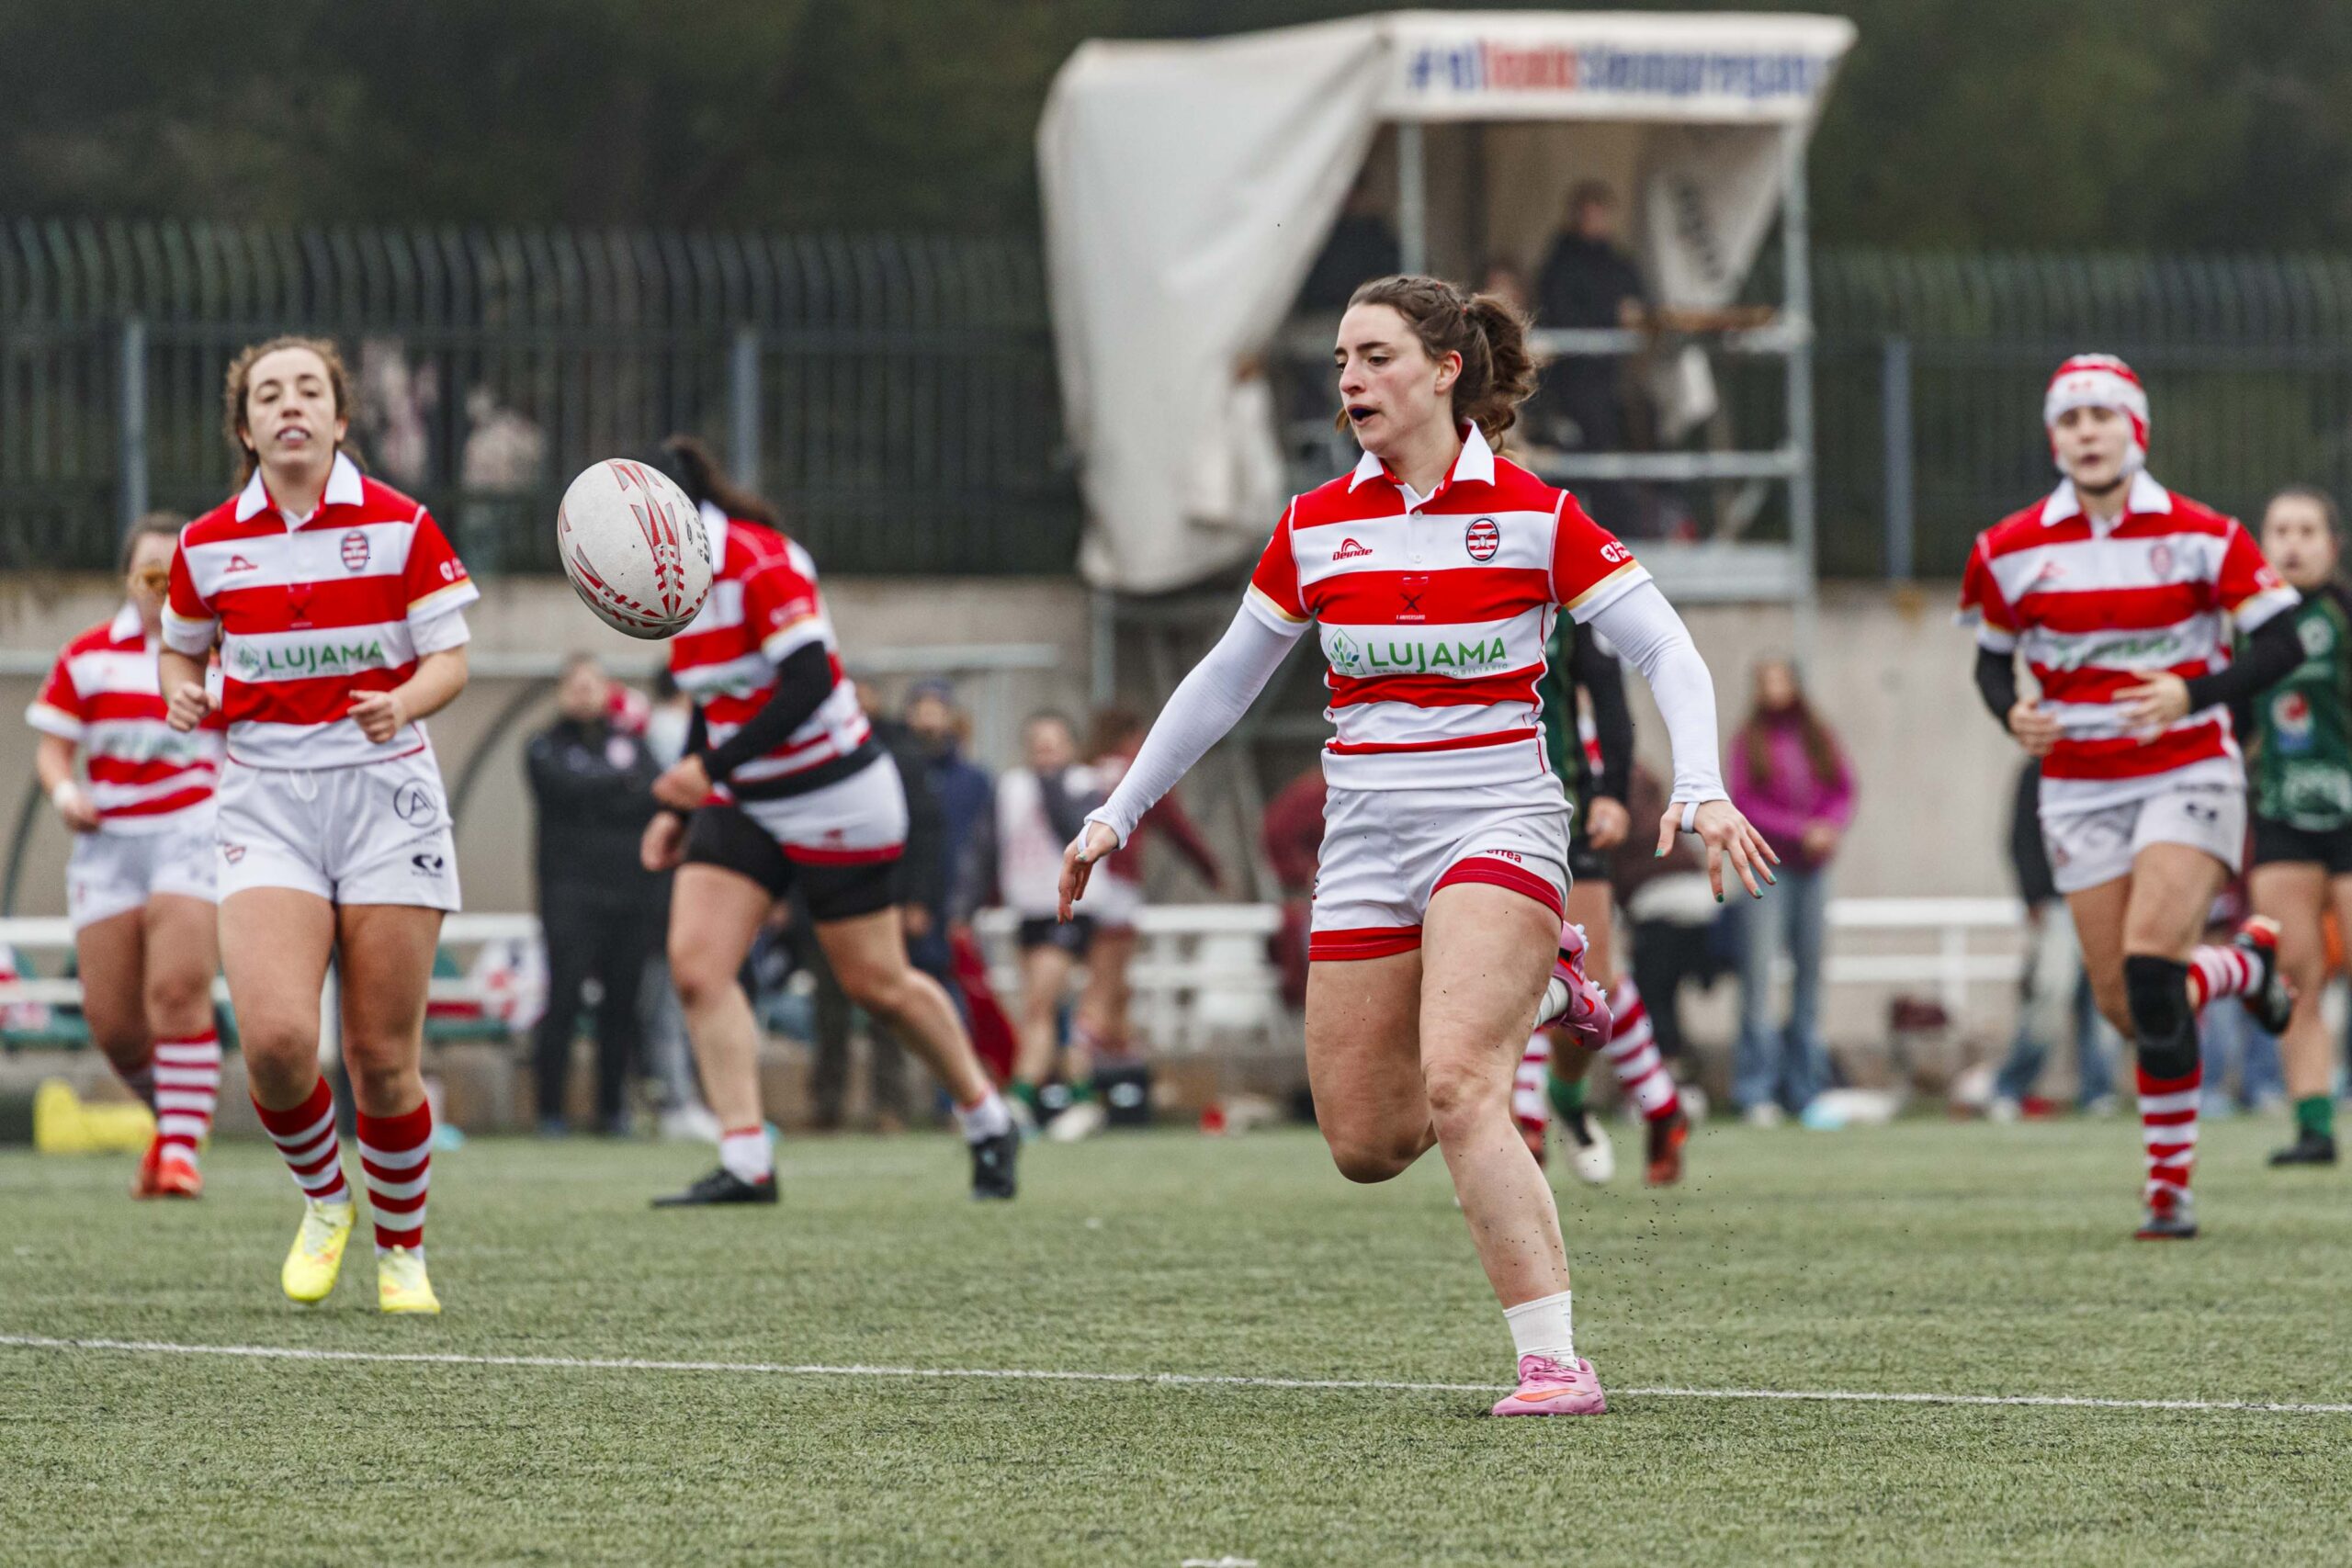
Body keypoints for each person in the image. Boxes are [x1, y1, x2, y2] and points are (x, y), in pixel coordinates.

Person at [1063, 274, 1772, 1417]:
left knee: (1457, 1085)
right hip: (1367, 843)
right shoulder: (1312, 525)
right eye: (1342, 359)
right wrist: (1116, 813)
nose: (1350, 379)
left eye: (1376, 356)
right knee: (1364, 1140)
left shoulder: (1539, 515)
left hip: (1499, 824)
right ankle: (1545, 995)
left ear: (1446, 372)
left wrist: (1699, 785)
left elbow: (1667, 652)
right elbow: (1220, 685)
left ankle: (1554, 1362)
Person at [162, 334, 476, 1314]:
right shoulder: (205, 545)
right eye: (268, 394)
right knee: (279, 1043)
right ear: (246, 429)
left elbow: (450, 659)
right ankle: (325, 1201)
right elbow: (181, 655)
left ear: (342, 420)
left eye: (310, 391)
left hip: (386, 797)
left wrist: (406, 703)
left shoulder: (402, 525)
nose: (289, 405)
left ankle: (403, 1253)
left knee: (382, 1058)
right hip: (267, 803)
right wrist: (181, 694)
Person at [1960, 354, 2301, 1239]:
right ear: (2054, 439)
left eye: (2103, 416)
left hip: (2189, 767)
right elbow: (1992, 660)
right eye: (2071, 420)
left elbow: (2282, 646)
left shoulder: (2206, 533)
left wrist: (2197, 692)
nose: (2087, 432)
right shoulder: (2008, 548)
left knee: (2153, 967)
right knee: (2126, 1004)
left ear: (2135, 429)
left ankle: (2167, 1192)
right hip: (2078, 784)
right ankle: (2248, 966)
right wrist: (2013, 713)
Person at [637, 435, 1016, 1204]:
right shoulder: (660, 582)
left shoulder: (759, 560)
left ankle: (986, 1114)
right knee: (697, 965)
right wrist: (685, 799)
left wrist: (707, 769)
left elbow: (809, 680)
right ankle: (746, 1158)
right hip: (745, 796)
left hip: (835, 793)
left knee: (877, 984)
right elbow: (717, 703)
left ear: (678, 513)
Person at [26, 512, 224, 1198]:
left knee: (176, 989)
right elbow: (53, 748)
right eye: (149, 576)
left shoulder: (218, 655)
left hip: (191, 833)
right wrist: (64, 794)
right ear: (126, 579)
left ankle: (179, 1151)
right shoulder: (87, 655)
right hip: (107, 843)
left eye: (176, 578)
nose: (161, 589)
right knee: (113, 1023)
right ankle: (171, 1123)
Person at [1526, 620, 1691, 1188]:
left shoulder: (1568, 598)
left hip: (1564, 807)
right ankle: (1517, 1128)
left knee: (1589, 983)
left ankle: (1568, 1099)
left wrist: (1612, 794)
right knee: (1504, 973)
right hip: (1472, 809)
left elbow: (1606, 693)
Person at [2242, 485, 2352, 1165]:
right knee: (2296, 977)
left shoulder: (2345, 616)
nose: (2293, 542)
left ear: (2333, 544)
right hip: (2282, 817)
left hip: (2350, 812)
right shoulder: (2246, 626)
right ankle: (2314, 1126)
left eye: (2308, 529)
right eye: (2280, 529)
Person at [1060, 707, 1226, 1139]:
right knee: (1103, 990)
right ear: (1134, 733)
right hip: (1115, 888)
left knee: (1116, 996)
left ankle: (1124, 1094)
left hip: (1071, 885)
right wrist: (1211, 870)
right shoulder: (1138, 769)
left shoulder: (1081, 771)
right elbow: (1176, 826)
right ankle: (1074, 1090)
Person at [524, 653, 662, 1135]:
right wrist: (617, 785)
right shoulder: (542, 746)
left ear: (608, 690)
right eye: (575, 685)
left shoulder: (633, 743)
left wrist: (606, 786)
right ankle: (551, 1113)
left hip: (628, 898)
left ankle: (611, 1111)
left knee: (621, 1008)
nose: (584, 693)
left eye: (593, 684)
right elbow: (564, 790)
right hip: (570, 898)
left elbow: (651, 793)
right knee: (562, 1003)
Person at [1726, 658, 1857, 1124]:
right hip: (1768, 867)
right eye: (1767, 681)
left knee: (1809, 978)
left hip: (1813, 871)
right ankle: (1755, 1089)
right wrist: (1799, 830)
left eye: (1782, 680)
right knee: (1759, 979)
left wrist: (1830, 827)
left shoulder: (1818, 736)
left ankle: (1805, 1089)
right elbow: (1744, 804)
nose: (1775, 688)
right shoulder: (1749, 742)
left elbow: (1844, 788)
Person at [992, 711, 1109, 1135]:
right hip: (1028, 907)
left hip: (1069, 904)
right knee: (1055, 1009)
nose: (1045, 749)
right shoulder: (1011, 786)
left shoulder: (1082, 784)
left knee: (1039, 1006)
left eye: (1054, 741)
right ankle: (1080, 1095)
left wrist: (1051, 782)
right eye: (1038, 741)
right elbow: (991, 844)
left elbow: (1073, 830)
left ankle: (1019, 1099)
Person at [1988, 761, 2118, 1120]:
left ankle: (2098, 1091)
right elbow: (2022, 836)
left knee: (2105, 1002)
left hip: (2107, 897)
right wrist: (2034, 897)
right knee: (2051, 992)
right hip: (2057, 902)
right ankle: (2011, 1086)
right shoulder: (2038, 771)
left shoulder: (2114, 764)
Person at [1533, 182, 1647, 533]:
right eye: (1588, 212)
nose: (1594, 220)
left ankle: (1625, 527)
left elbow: (1636, 304)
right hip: (1573, 380)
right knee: (1591, 454)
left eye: (1600, 212)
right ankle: (1605, 529)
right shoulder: (1561, 263)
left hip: (1612, 378)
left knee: (1622, 447)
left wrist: (1632, 313)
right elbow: (1562, 313)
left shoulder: (1617, 261)